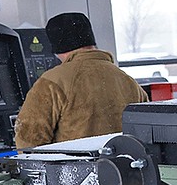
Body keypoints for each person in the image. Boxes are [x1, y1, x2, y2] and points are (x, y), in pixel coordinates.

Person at [14, 12, 147, 149]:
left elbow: (29, 140)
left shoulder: (52, 82)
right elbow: (145, 132)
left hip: (74, 168)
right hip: (120, 167)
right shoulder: (128, 81)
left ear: (55, 47)